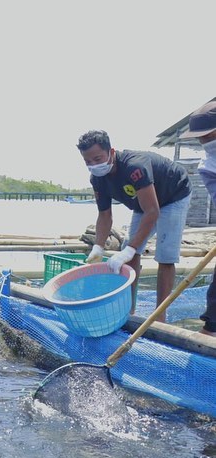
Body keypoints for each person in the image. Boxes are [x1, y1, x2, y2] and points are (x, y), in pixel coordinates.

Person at [79, 130, 191, 322]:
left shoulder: (134, 166)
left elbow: (153, 212)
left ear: (111, 152)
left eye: (97, 158)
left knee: (165, 256)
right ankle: (127, 310)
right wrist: (98, 247)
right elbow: (105, 215)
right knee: (129, 253)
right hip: (143, 203)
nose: (94, 165)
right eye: (88, 161)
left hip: (173, 195)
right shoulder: (97, 178)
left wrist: (130, 248)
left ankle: (159, 317)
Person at [179, 101, 216, 337]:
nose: (204, 142)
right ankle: (211, 331)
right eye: (200, 138)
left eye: (208, 135)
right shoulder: (208, 165)